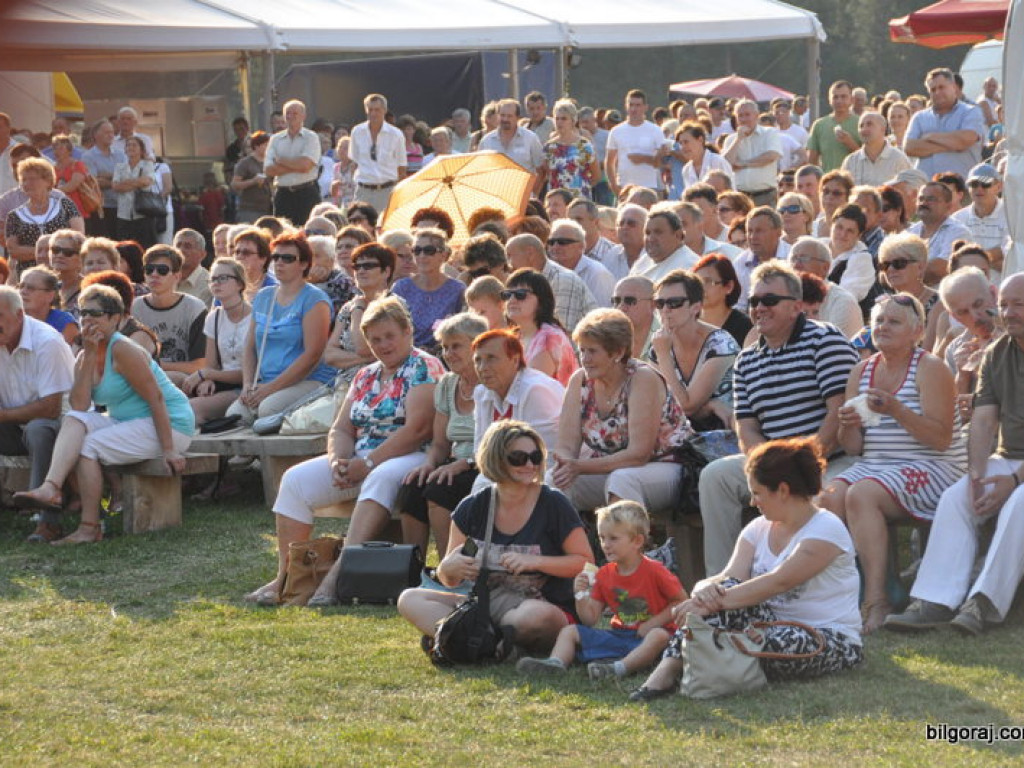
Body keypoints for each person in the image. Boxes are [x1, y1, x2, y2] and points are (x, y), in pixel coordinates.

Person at [245, 296, 443, 606]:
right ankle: (288, 574)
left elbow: (418, 429)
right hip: (361, 457)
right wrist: (339, 459)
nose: (383, 345)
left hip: (410, 456)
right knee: (295, 480)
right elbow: (341, 428)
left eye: (390, 336)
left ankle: (336, 576)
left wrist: (367, 462)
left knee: (381, 476)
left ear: (408, 332)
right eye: (375, 339)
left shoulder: (424, 366)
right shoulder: (366, 374)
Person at [632, 438, 863, 701]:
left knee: (741, 633)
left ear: (783, 490)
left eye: (757, 493)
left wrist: (712, 604)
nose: (753, 502)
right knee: (723, 596)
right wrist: (704, 590)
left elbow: (779, 581)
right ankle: (666, 671)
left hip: (826, 637)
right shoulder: (758, 528)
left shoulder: (826, 528)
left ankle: (697, 659)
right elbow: (729, 578)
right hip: (765, 624)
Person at [884, 274, 1024, 636]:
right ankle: (934, 600)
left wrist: (1012, 481)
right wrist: (976, 476)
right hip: (1009, 458)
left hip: (1018, 473)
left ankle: (984, 602)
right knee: (956, 497)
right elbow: (982, 421)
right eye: (1005, 304)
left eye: (1018, 304)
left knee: (1020, 501)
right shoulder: (997, 352)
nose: (1008, 313)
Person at [698, 262, 858, 575]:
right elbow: (746, 427)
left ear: (796, 306)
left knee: (824, 496)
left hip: (830, 461)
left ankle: (803, 587)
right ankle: (723, 584)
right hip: (772, 461)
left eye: (769, 300)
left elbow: (838, 416)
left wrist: (799, 465)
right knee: (715, 477)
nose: (759, 308)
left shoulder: (826, 341)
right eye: (755, 301)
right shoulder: (747, 359)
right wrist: (767, 467)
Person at [824, 294, 965, 633]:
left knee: (861, 494)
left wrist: (897, 410)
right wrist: (847, 423)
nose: (883, 327)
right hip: (877, 466)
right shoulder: (862, 370)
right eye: (880, 320)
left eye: (894, 321)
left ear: (917, 331)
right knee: (829, 496)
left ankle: (878, 599)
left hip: (932, 465)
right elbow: (855, 449)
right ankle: (843, 597)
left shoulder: (930, 367)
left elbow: (941, 439)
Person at [14, 284, 194, 545]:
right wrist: (87, 357)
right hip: (128, 422)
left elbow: (156, 398)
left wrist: (168, 450)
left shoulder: (123, 349)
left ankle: (90, 527)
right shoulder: (84, 355)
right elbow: (78, 406)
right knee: (75, 420)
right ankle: (51, 488)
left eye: (96, 313)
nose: (87, 319)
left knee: (88, 447)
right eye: (83, 312)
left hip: (170, 425)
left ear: (115, 318)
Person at [397, 419, 594, 655]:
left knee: (534, 617)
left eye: (536, 457)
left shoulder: (553, 503)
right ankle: (485, 641)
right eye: (518, 458)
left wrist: (536, 562)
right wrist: (450, 567)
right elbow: (450, 579)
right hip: (482, 602)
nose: (529, 464)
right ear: (496, 459)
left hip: (538, 603)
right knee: (409, 598)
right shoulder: (473, 507)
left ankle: (462, 638)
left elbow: (586, 563)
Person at [516, 500, 686, 680]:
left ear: (637, 541)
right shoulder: (604, 574)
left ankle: (618, 669)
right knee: (571, 630)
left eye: (613, 538)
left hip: (653, 636)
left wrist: (653, 623)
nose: (605, 544)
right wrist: (581, 595)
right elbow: (590, 620)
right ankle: (556, 663)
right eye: (602, 537)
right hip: (621, 635)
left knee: (658, 636)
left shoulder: (655, 570)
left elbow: (681, 601)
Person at [549, 307, 691, 515]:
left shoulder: (642, 379)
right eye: (582, 350)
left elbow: (638, 455)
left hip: (668, 465)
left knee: (622, 480)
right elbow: (565, 446)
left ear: (617, 352)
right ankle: (566, 547)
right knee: (552, 482)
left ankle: (628, 546)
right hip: (611, 467)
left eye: (592, 351)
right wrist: (565, 465)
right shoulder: (580, 380)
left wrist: (578, 466)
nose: (585, 359)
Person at [399, 312, 488, 555]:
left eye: (456, 346)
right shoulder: (448, 384)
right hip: (454, 463)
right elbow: (440, 444)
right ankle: (413, 571)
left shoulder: (492, 382)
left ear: (477, 345)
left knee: (440, 491)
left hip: (486, 466)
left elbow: (498, 441)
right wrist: (428, 464)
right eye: (445, 347)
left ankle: (448, 570)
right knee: (411, 488)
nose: (448, 354)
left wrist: (465, 463)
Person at [227, 232, 334, 425]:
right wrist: (247, 386)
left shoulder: (315, 300)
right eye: (275, 257)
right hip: (265, 382)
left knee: (267, 410)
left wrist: (270, 389)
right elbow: (249, 347)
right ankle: (247, 455)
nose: (279, 262)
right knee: (234, 416)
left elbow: (313, 355)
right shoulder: (263, 296)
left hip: (308, 381)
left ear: (303, 264)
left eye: (288, 258)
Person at [0, 285, 75, 542]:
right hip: (13, 423)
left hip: (64, 428)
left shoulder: (47, 342)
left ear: (19, 315)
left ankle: (48, 523)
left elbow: (51, 408)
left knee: (38, 429)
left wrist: (3, 416)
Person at [650, 269, 740, 430]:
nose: (665, 309)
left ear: (696, 307)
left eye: (674, 302)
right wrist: (708, 407)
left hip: (728, 432)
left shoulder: (719, 343)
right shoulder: (659, 343)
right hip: (683, 435)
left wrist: (664, 356)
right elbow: (660, 406)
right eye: (659, 303)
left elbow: (685, 407)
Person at [180, 258, 251, 427]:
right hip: (221, 384)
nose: (216, 283)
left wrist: (206, 375)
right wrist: (207, 379)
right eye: (212, 279)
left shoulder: (255, 317)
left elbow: (251, 372)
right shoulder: (214, 317)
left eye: (223, 278)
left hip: (245, 387)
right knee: (176, 389)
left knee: (191, 409)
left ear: (240, 284)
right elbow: (211, 365)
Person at [131, 246, 208, 386]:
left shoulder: (195, 308)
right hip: (141, 376)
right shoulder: (134, 308)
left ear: (177, 276)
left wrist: (156, 365)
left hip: (183, 382)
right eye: (149, 269)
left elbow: (199, 365)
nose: (154, 274)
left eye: (162, 270)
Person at [324, 242, 394, 388]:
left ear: (386, 271)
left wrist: (358, 310)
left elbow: (363, 347)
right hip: (344, 385)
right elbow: (329, 355)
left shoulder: (393, 306)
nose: (361, 271)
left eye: (368, 266)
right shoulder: (347, 307)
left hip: (380, 386)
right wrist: (366, 358)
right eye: (357, 266)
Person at [390, 227, 465, 355]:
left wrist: (435, 351)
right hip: (405, 356)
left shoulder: (458, 290)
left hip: (444, 357)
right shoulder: (401, 288)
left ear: (444, 255)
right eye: (417, 251)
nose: (422, 256)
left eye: (429, 251)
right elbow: (392, 327)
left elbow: (462, 331)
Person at [5, 158, 83, 275]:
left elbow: (78, 239)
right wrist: (54, 251)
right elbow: (14, 251)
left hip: (64, 273)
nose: (26, 184)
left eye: (32, 179)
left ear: (47, 181)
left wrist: (43, 252)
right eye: (23, 180)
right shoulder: (14, 216)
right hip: (28, 275)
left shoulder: (65, 205)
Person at [904, 68, 985, 181]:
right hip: (927, 186)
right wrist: (953, 144)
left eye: (941, 87)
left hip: (960, 187)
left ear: (953, 87)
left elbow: (966, 139)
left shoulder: (971, 111)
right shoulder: (919, 117)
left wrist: (930, 137)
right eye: (933, 89)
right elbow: (910, 148)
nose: (937, 92)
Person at [506, 233, 597, 332]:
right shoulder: (538, 280)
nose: (508, 265)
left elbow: (562, 330)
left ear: (530, 253)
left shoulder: (562, 280)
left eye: (510, 256)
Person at [503, 268, 578, 387]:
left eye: (520, 295)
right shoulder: (514, 336)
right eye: (507, 295)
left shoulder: (549, 337)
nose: (511, 300)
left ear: (541, 301)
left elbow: (531, 389)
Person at [790, 237, 864, 340]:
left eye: (804, 259)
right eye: (793, 259)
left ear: (825, 267)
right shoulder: (785, 299)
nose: (796, 265)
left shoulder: (842, 302)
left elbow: (832, 346)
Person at [264, 100, 321, 226]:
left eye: (294, 113)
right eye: (288, 113)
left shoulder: (311, 137)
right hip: (283, 194)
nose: (290, 117)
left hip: (306, 192)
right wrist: (297, 165)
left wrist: (281, 161)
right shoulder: (275, 139)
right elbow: (268, 169)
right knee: (282, 233)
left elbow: (306, 166)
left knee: (308, 232)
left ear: (303, 116)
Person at [605, 90, 667, 199]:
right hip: (624, 187)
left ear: (645, 107)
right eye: (631, 105)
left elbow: (661, 162)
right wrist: (614, 186)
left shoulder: (655, 130)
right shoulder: (616, 131)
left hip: (649, 187)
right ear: (626, 106)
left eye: (638, 105)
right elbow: (609, 161)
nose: (634, 109)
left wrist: (644, 159)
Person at [908, 181, 972, 286]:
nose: (923, 203)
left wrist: (904, 273)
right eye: (921, 199)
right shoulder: (910, 232)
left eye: (931, 199)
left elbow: (940, 269)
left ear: (948, 205)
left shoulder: (958, 232)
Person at [951, 162, 1009, 277]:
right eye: (974, 184)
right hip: (968, 287)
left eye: (985, 184)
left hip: (1005, 290)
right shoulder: (957, 219)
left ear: (999, 186)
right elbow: (954, 263)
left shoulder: (1013, 217)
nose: (979, 188)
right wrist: (995, 256)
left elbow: (1012, 263)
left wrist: (970, 259)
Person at [722, 100, 782, 208]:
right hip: (740, 196)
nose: (744, 119)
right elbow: (725, 164)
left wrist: (743, 163)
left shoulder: (769, 133)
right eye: (740, 116)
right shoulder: (731, 139)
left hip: (765, 195)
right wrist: (738, 139)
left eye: (747, 115)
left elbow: (771, 156)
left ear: (756, 116)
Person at [545, 217, 615, 307]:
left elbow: (602, 313)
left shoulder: (597, 274)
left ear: (581, 246)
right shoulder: (547, 271)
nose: (555, 246)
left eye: (562, 242)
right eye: (551, 242)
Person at [539, 99, 600, 200]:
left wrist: (582, 188)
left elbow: (596, 175)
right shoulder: (549, 147)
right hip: (556, 200)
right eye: (557, 118)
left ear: (573, 121)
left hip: (579, 199)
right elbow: (545, 174)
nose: (559, 122)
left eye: (564, 119)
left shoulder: (584, 146)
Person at [732, 206, 789, 312]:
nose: (753, 237)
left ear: (778, 232)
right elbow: (739, 306)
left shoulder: (792, 258)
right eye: (749, 231)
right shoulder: (740, 262)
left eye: (759, 231)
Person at [479, 98, 544, 183]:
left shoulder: (530, 138)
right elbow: (480, 170)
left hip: (523, 193)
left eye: (509, 116)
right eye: (502, 115)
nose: (505, 119)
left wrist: (533, 193)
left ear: (517, 117)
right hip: (496, 193)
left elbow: (541, 171)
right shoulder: (487, 141)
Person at [693, 253, 751, 347]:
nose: (701, 288)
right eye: (696, 282)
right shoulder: (686, 323)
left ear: (728, 286)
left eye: (707, 281)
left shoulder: (745, 327)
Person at [840, 112, 911, 187]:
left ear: (883, 129)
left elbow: (909, 190)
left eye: (869, 124)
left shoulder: (898, 159)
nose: (864, 129)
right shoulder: (851, 161)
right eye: (861, 126)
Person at [82, 119, 126, 238]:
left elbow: (126, 176)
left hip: (121, 206)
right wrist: (116, 179)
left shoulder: (121, 154)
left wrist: (106, 176)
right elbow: (94, 182)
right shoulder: (88, 157)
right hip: (101, 208)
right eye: (106, 132)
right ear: (95, 135)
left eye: (112, 132)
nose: (111, 135)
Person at [111, 136, 157, 248]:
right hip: (123, 214)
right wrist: (136, 183)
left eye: (134, 145)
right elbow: (115, 186)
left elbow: (147, 181)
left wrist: (126, 182)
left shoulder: (147, 165)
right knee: (124, 246)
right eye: (128, 145)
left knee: (145, 246)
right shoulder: (120, 167)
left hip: (143, 214)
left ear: (141, 150)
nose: (131, 147)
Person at [17, 265, 78, 347]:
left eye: (31, 288)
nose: (23, 291)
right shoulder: (10, 320)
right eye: (21, 286)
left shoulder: (64, 323)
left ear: (50, 296)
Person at [669, 122, 732, 201]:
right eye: (681, 143)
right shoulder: (686, 170)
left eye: (686, 142)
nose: (683, 147)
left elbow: (731, 194)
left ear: (700, 140)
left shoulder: (718, 161)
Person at [807, 80, 861, 172]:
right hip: (828, 181)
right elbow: (812, 161)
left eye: (843, 97)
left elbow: (869, 156)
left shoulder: (861, 123)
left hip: (854, 181)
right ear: (829, 100)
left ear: (851, 100)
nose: (839, 101)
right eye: (835, 97)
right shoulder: (819, 125)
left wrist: (850, 143)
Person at [231, 131, 273, 224]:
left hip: (268, 208)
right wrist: (253, 181)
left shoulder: (271, 162)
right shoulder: (245, 163)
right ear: (257, 146)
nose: (269, 148)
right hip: (249, 209)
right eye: (266, 145)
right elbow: (235, 184)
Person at [611, 276, 656, 359]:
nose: (621, 308)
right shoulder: (606, 338)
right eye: (616, 301)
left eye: (630, 301)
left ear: (652, 304)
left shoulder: (669, 337)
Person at [231, 227, 277, 302]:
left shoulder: (274, 289)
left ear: (263, 258)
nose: (239, 257)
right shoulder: (226, 286)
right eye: (237, 252)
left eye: (246, 253)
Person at [172, 229, 212, 307]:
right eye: (178, 245)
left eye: (187, 246)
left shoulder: (209, 284)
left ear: (202, 255)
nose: (181, 250)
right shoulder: (163, 277)